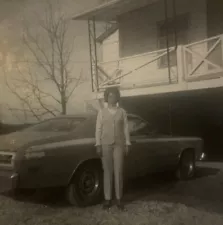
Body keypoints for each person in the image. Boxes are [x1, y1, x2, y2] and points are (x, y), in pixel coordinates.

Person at [95, 87, 131, 211]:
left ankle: (119, 198)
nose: (112, 98)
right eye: (110, 96)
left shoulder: (122, 112)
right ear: (106, 98)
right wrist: (98, 144)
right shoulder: (101, 112)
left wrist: (127, 143)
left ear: (117, 97)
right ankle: (107, 198)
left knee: (119, 171)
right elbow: (98, 129)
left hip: (119, 145)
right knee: (107, 171)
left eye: (114, 96)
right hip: (105, 144)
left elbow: (126, 128)